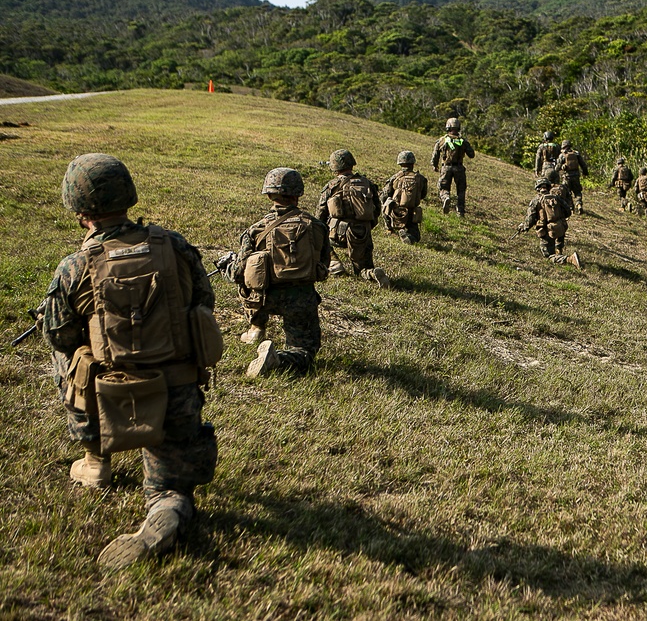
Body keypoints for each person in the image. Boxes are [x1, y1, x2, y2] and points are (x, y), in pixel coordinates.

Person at [41, 153, 219, 570]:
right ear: (128, 195)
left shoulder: (75, 266)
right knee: (170, 490)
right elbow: (203, 304)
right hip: (176, 392)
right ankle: (167, 510)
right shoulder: (173, 245)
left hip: (109, 395)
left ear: (80, 210)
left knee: (66, 355)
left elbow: (58, 335)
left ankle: (95, 458)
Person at [226, 168, 331, 377]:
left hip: (264, 300)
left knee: (248, 282)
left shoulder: (255, 229)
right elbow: (323, 266)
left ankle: (256, 327)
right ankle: (278, 359)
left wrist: (227, 267)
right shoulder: (316, 226)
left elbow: (239, 273)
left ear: (268, 194)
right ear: (298, 194)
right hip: (301, 299)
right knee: (305, 352)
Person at [316, 149, 389, 288]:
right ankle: (371, 273)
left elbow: (320, 214)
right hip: (362, 233)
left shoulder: (331, 186)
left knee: (321, 239)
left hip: (336, 234)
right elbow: (377, 208)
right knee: (362, 267)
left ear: (334, 167)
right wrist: (368, 227)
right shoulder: (367, 183)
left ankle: (334, 263)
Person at [517, 178, 582, 269]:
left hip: (546, 230)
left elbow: (530, 219)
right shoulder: (556, 198)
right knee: (558, 242)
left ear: (537, 188)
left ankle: (570, 259)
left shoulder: (536, 200)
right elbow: (567, 210)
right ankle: (559, 252)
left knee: (548, 255)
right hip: (561, 226)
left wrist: (524, 227)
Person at [382, 150, 428, 244]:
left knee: (386, 203)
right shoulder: (421, 179)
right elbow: (423, 195)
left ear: (400, 163)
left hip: (397, 213)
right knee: (416, 238)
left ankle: (391, 229)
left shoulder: (395, 177)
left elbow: (385, 195)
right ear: (413, 163)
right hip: (412, 213)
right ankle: (407, 234)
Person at [431, 117, 475, 217]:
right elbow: (471, 155)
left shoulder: (442, 140)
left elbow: (435, 155)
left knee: (443, 187)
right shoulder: (462, 141)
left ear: (448, 127)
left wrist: (434, 165)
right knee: (461, 190)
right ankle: (460, 211)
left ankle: (446, 197)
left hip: (446, 167)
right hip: (459, 168)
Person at [555, 139, 588, 214]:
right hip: (576, 176)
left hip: (566, 176)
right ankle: (579, 204)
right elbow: (583, 165)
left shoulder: (562, 155)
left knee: (567, 192)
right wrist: (585, 173)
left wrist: (558, 170)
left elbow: (557, 167)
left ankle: (571, 208)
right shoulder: (576, 153)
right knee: (578, 192)